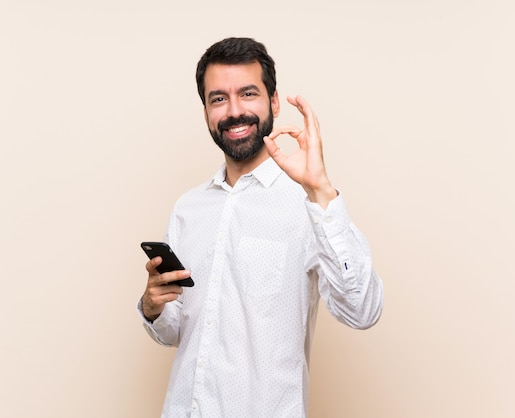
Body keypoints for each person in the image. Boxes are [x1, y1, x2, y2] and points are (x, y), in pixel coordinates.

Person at [137, 37, 384, 417]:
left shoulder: (309, 204)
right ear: (205, 111)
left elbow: (362, 310)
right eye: (218, 98)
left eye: (248, 93)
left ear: (273, 101)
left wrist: (320, 190)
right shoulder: (188, 208)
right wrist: (152, 308)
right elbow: (177, 333)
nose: (234, 111)